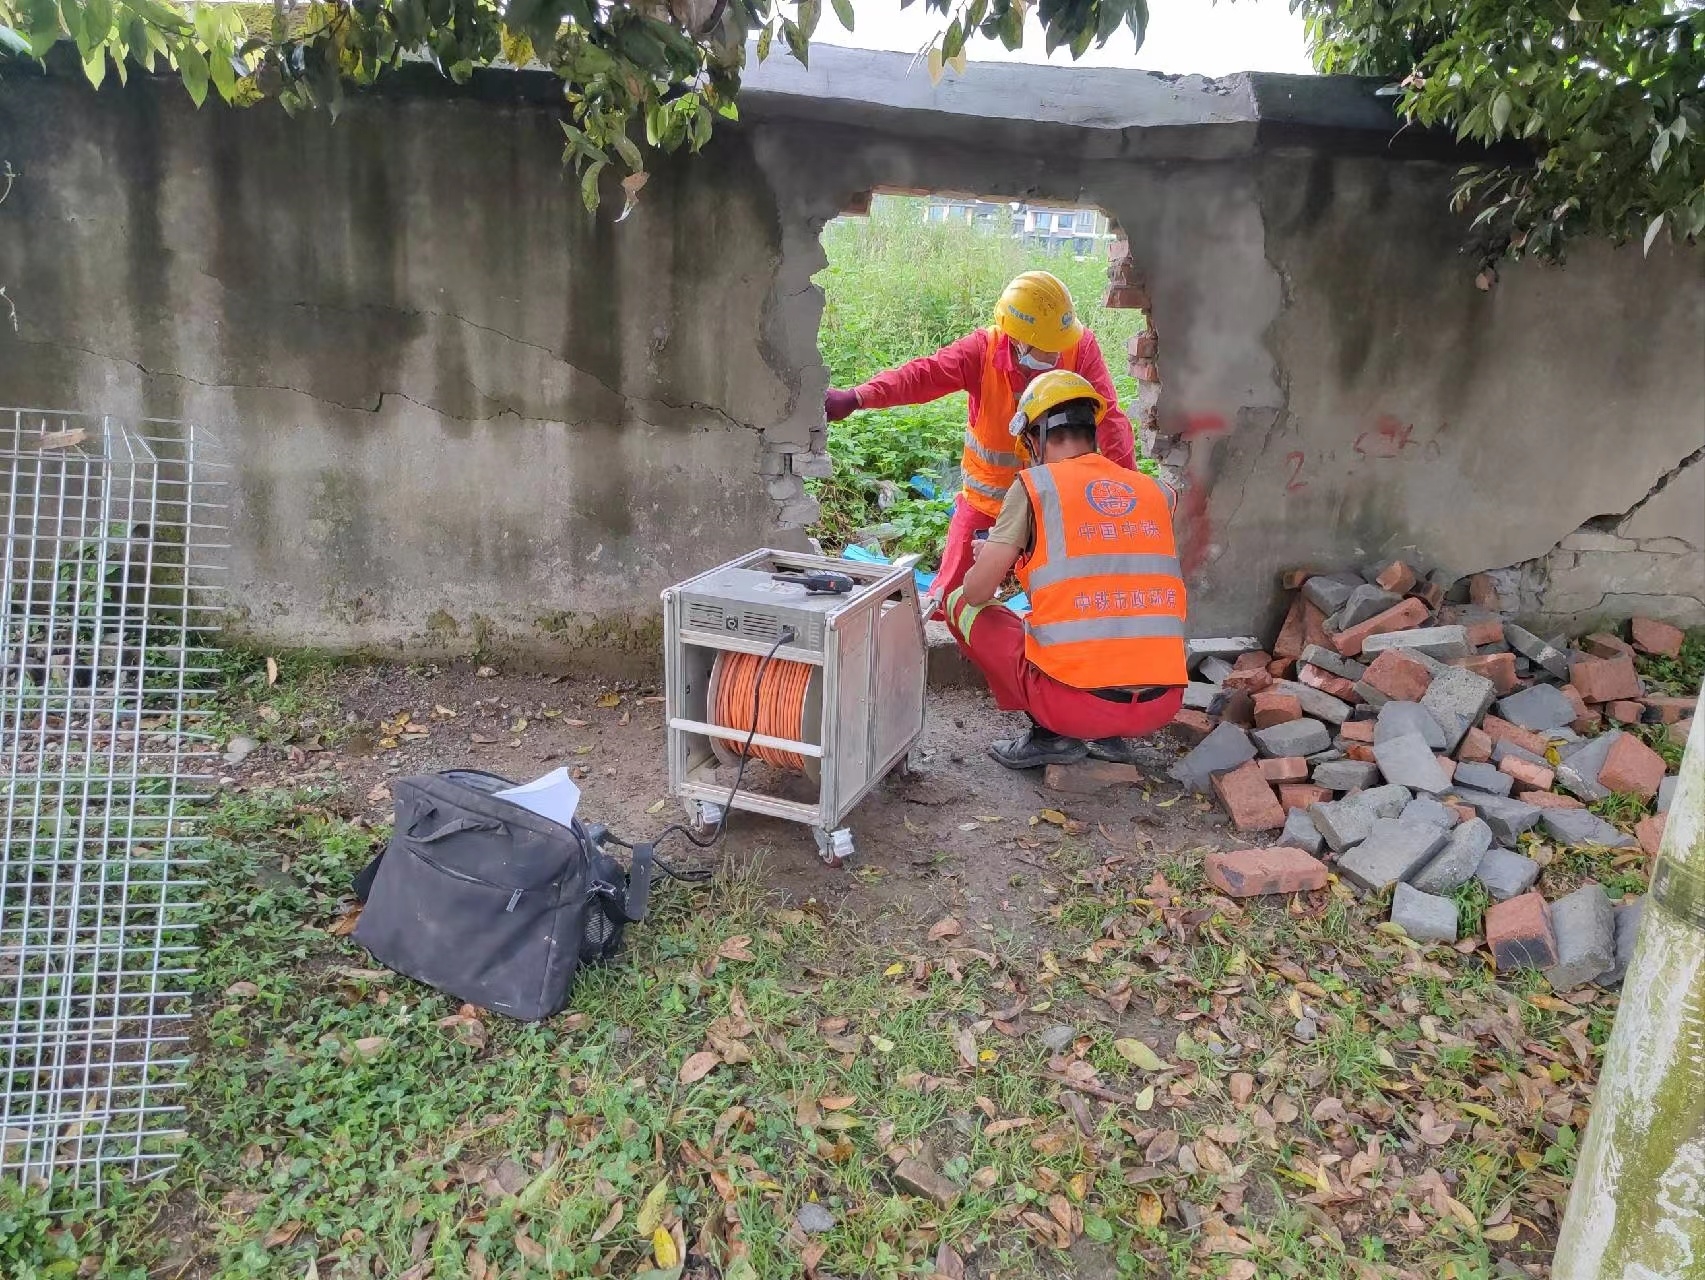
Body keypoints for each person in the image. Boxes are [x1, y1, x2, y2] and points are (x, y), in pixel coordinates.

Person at [824, 271, 1136, 613]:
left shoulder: (1079, 348)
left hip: (1056, 504)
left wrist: (1127, 490)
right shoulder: (982, 352)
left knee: (1065, 599)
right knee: (948, 601)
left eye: (1060, 344)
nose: (1057, 356)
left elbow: (1111, 420)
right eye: (1048, 349)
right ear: (1019, 340)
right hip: (985, 506)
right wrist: (857, 397)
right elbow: (922, 376)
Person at [939, 370, 1187, 769]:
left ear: (1034, 438)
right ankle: (1113, 741)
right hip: (1162, 704)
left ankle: (1049, 736)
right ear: (1092, 431)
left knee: (959, 605)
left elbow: (977, 591)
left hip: (1076, 706)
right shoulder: (1155, 491)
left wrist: (992, 556)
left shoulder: (1037, 486)